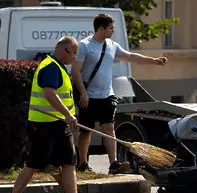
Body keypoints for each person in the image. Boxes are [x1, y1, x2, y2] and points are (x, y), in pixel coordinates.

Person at [5, 36, 96, 193]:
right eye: (75, 53)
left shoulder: (59, 67)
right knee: (33, 164)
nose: (75, 58)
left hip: (59, 125)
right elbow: (49, 94)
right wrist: (68, 114)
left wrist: (66, 117)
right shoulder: (51, 67)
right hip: (44, 125)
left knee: (69, 162)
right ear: (67, 50)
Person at [72, 14, 167, 174]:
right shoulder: (85, 45)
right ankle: (82, 163)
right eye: (111, 28)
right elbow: (75, 71)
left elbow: (131, 57)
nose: (113, 31)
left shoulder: (112, 45)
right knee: (86, 130)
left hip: (107, 95)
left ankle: (114, 163)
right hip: (88, 95)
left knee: (109, 127)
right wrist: (82, 93)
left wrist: (153, 61)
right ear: (101, 28)